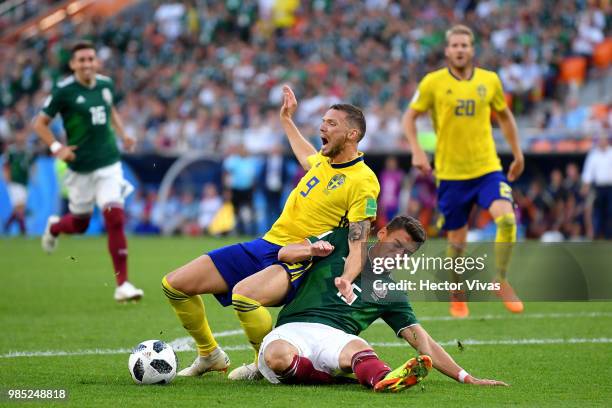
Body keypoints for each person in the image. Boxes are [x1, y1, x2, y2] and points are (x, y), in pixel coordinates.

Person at [161, 85, 379, 378]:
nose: (322, 126)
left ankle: (261, 363)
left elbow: (358, 243)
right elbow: (307, 156)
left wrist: (347, 278)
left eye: (331, 123)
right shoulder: (324, 164)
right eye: (323, 121)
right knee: (175, 284)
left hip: (300, 258)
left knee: (245, 297)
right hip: (266, 244)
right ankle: (210, 355)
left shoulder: (363, 181)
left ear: (352, 134)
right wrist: (286, 120)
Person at [255, 216, 507, 390]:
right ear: (382, 232)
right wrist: (311, 250)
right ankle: (331, 380)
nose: (398, 255)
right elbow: (283, 253)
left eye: (406, 253)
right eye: (396, 245)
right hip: (292, 328)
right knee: (278, 357)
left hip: (337, 340)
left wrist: (466, 378)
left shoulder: (391, 292)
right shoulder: (343, 239)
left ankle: (385, 379)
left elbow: (422, 340)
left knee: (359, 349)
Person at [402, 25, 525, 318]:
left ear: (472, 50)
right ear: (447, 50)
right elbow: (409, 117)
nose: (459, 49)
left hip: (487, 169)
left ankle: (501, 279)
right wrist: (417, 151)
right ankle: (457, 291)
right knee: (457, 243)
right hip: (451, 175)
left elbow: (505, 117)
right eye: (455, 45)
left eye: (464, 45)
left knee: (507, 219)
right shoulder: (432, 83)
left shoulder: (490, 81)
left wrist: (518, 154)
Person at [32, 41, 143, 302]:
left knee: (114, 217)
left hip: (108, 163)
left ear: (96, 61)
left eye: (90, 59)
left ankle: (123, 284)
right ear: (72, 64)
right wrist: (58, 147)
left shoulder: (105, 84)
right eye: (81, 60)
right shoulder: (63, 91)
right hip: (80, 168)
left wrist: (124, 134)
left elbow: (110, 110)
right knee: (79, 223)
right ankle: (56, 227)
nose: (87, 64)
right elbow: (40, 124)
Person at [3, 126, 35, 235]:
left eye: (23, 134)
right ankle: (23, 230)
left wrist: (33, 176)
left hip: (24, 182)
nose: (21, 137)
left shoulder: (28, 151)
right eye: (19, 134)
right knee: (20, 207)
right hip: (14, 181)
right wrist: (7, 177)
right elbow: (6, 165)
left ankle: (7, 224)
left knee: (19, 207)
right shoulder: (11, 151)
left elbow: (32, 165)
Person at [581, 136, 612, 239]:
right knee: (598, 212)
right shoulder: (593, 154)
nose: (602, 142)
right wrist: (586, 185)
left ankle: (609, 236)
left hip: (610, 187)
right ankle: (598, 235)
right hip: (598, 187)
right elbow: (588, 172)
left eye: (603, 139)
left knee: (610, 211)